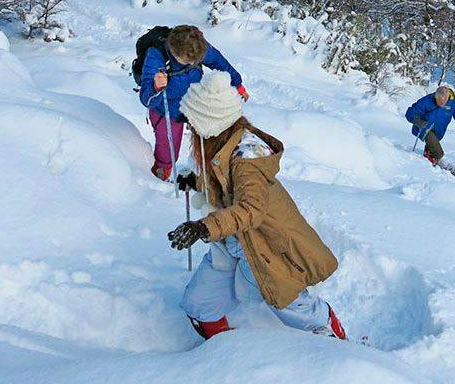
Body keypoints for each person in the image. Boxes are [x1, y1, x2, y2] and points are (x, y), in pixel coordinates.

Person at [167, 70, 347, 341]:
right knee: (199, 303)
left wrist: (203, 227)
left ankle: (337, 340)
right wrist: (196, 181)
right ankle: (225, 352)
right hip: (232, 241)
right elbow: (223, 183)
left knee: (291, 306)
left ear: (210, 125)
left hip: (265, 244)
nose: (190, 129)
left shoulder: (247, 158)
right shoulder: (221, 145)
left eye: (193, 123)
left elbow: (251, 208)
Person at [140, 24, 247, 181]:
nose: (192, 64)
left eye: (195, 61)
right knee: (168, 150)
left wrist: (237, 84)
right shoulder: (156, 55)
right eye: (188, 62)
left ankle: (208, 174)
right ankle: (160, 176)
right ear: (175, 54)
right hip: (166, 109)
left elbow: (219, 61)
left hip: (193, 102)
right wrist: (156, 87)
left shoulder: (197, 46)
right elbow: (145, 98)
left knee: (210, 136)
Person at [405, 84, 455, 165]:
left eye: (443, 102)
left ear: (447, 97)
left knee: (431, 149)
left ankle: (428, 162)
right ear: (435, 96)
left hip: (438, 132)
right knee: (438, 153)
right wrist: (417, 121)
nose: (440, 104)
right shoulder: (427, 100)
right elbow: (410, 112)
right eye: (438, 101)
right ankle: (433, 162)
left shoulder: (453, 103)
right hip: (423, 127)